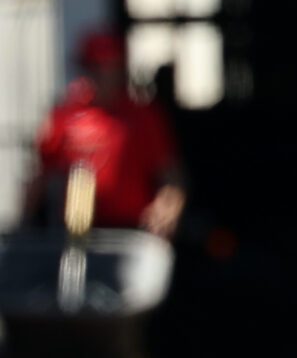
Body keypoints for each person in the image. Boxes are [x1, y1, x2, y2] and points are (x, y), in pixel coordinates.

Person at [24, 31, 184, 238]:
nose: (99, 76)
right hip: (78, 232)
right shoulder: (65, 117)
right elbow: (40, 176)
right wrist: (24, 225)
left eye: (106, 68)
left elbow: (170, 174)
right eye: (92, 68)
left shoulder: (143, 118)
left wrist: (168, 205)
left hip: (132, 230)